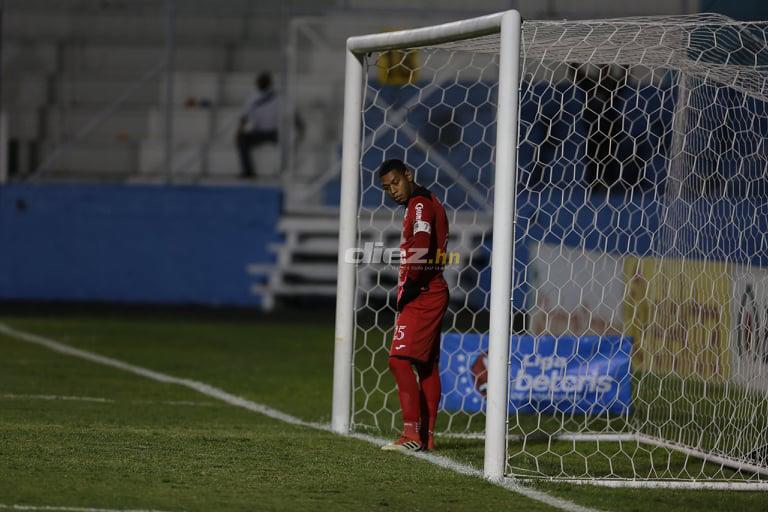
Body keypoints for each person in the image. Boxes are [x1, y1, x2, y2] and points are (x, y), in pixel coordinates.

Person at [378, 159, 450, 452]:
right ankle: (428, 437)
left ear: (408, 175)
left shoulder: (419, 203)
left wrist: (409, 287)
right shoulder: (422, 201)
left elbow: (422, 241)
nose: (393, 190)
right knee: (427, 366)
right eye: (386, 188)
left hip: (423, 291)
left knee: (398, 360)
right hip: (432, 289)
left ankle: (411, 435)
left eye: (395, 182)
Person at [236, 72, 279, 178]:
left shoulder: (253, 98)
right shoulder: (278, 97)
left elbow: (244, 118)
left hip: (267, 133)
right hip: (271, 133)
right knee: (242, 139)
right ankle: (249, 171)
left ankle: (248, 171)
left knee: (241, 138)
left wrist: (239, 131)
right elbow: (244, 117)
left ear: (258, 84)